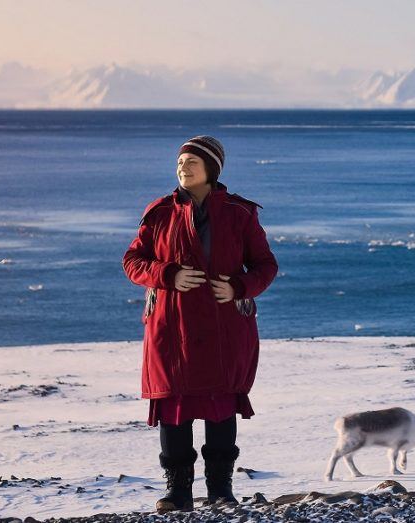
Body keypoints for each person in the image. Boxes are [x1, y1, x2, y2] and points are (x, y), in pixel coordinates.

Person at [122, 135, 278, 513]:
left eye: (192, 162)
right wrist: (167, 274)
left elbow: (265, 266)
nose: (183, 168)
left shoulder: (241, 214)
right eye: (180, 163)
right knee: (174, 410)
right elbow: (132, 260)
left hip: (225, 327)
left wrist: (239, 286)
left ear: (211, 169)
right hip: (171, 330)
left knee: (221, 408)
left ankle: (221, 491)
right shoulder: (159, 212)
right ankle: (178, 493)